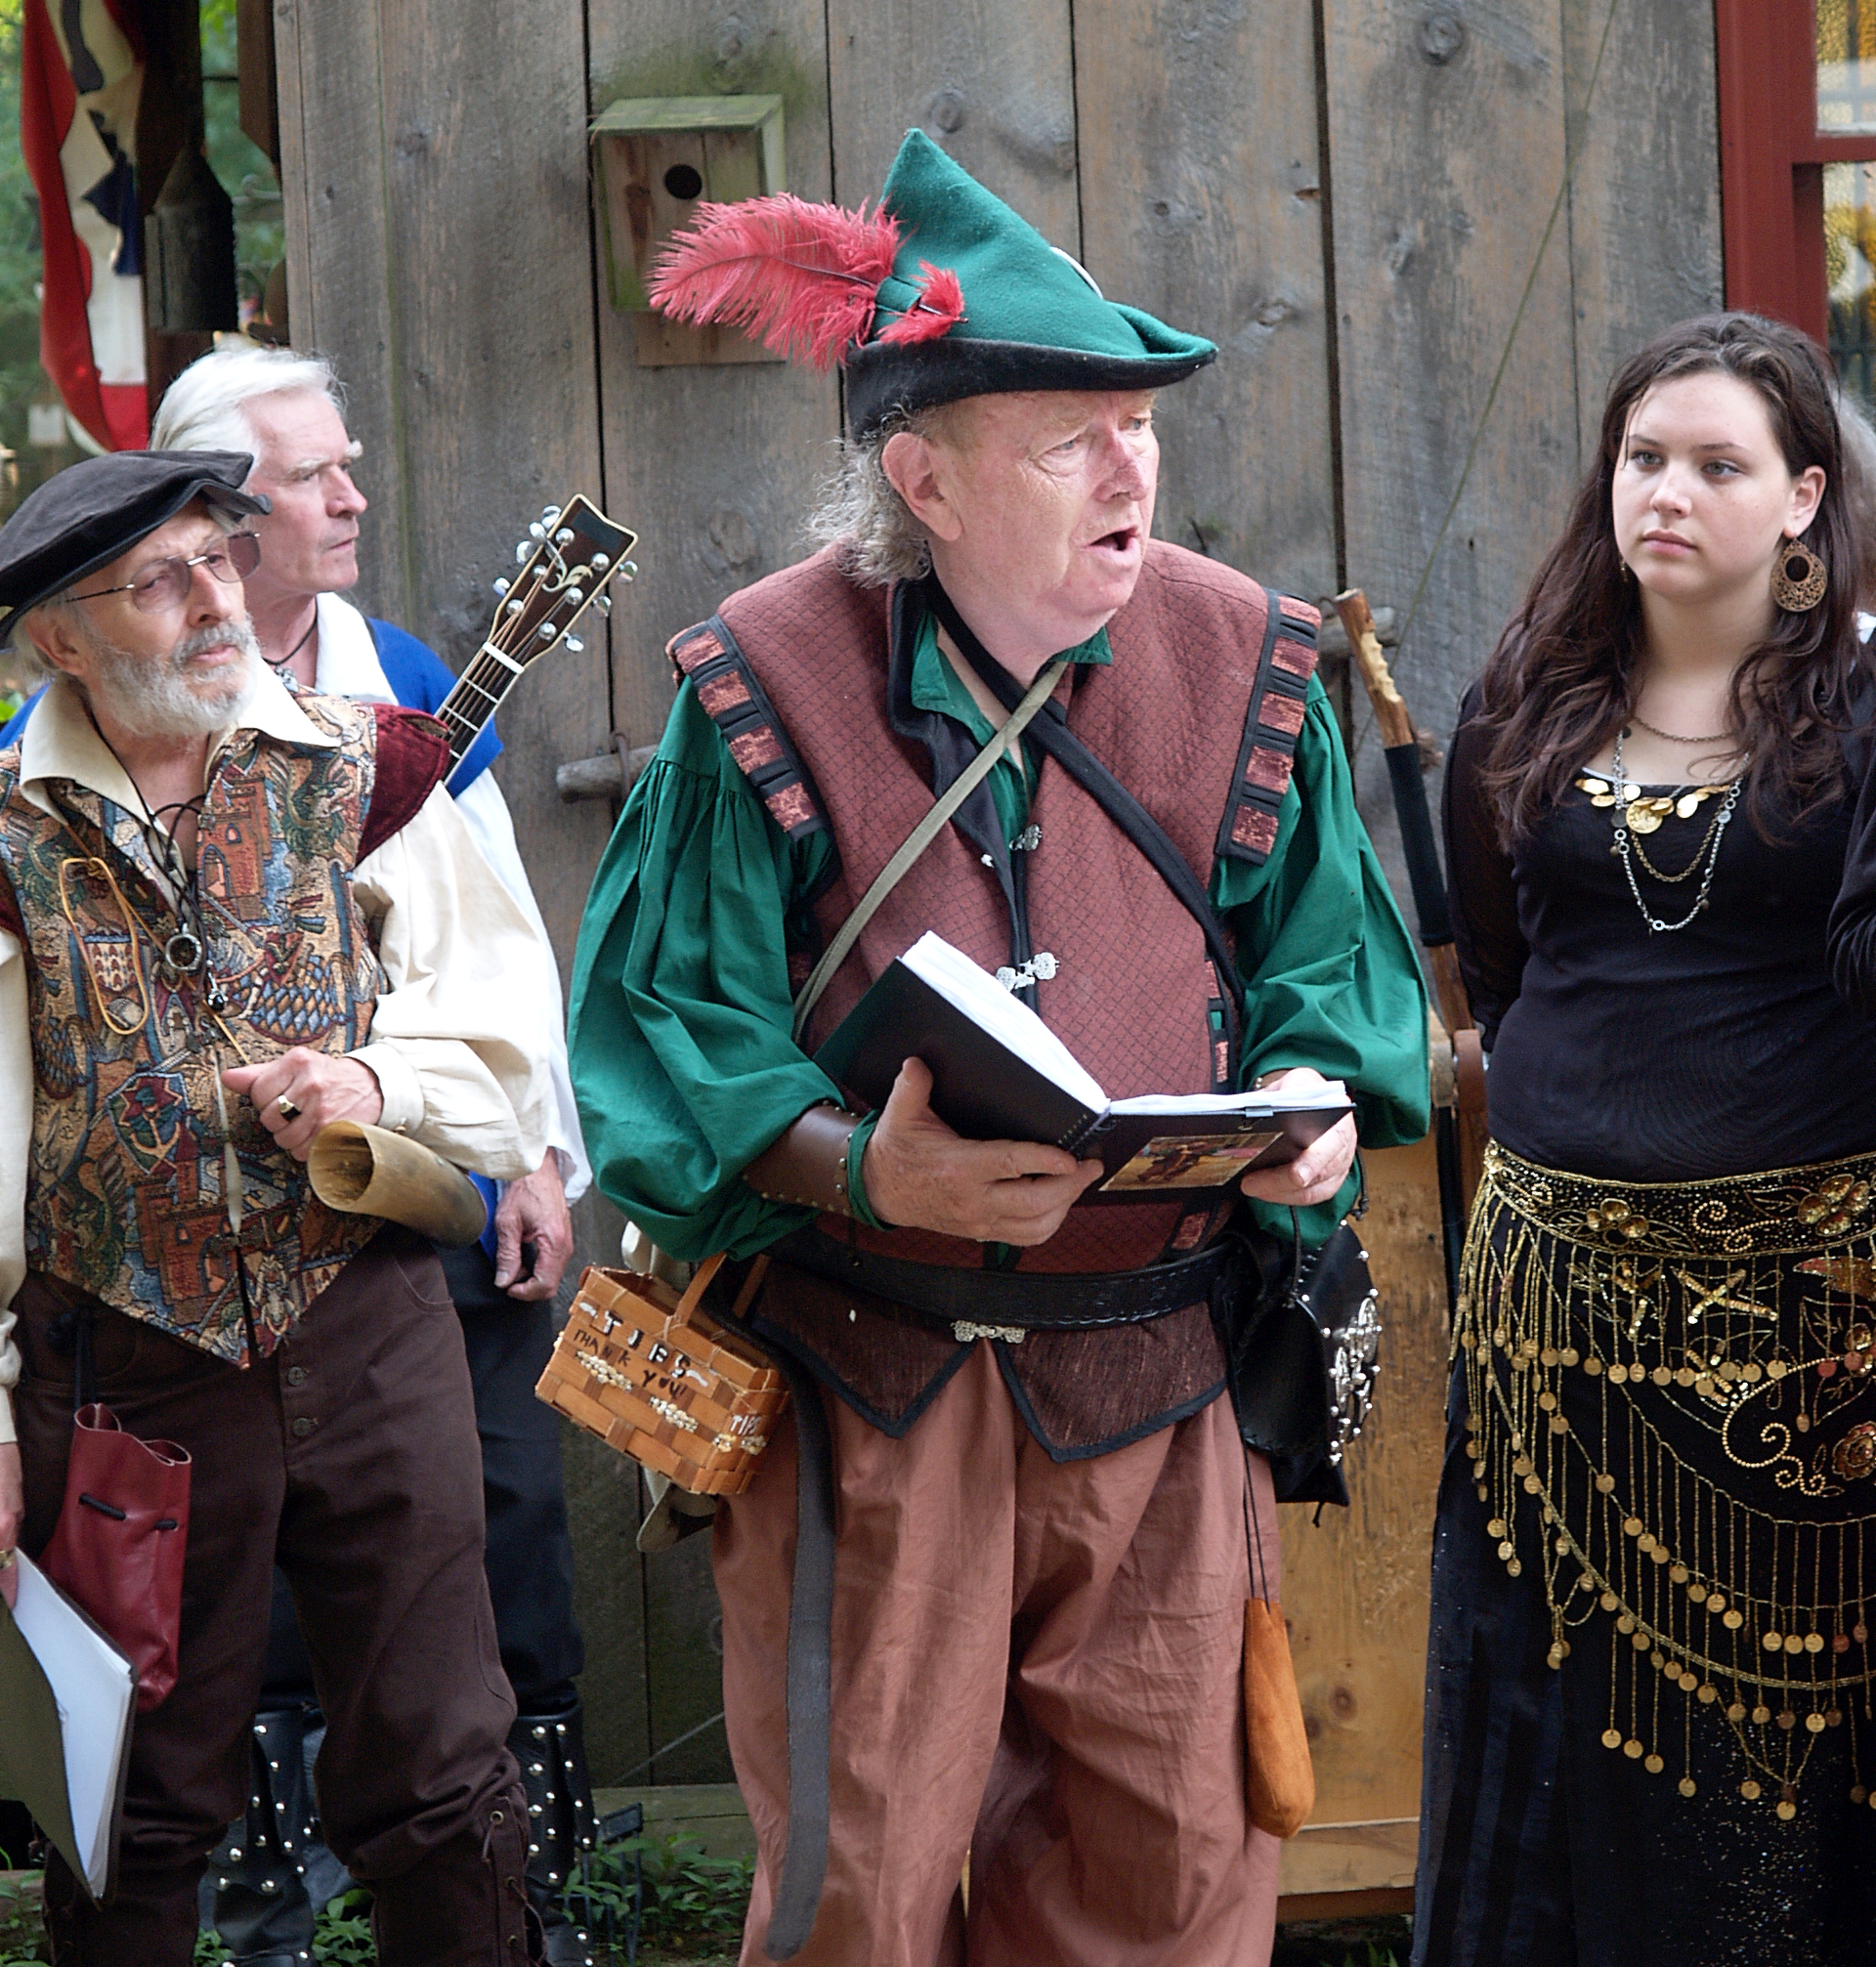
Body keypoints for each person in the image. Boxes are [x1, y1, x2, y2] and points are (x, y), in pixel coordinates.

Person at [569, 131, 1428, 1967]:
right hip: (871, 1391)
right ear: (924, 480)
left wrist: (1314, 1105)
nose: (1132, 473)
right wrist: (867, 1170)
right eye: (1069, 442)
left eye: (1141, 430)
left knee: (1169, 1888)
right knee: (859, 1899)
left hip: (1168, 1389)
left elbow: (1328, 974)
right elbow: (671, 1034)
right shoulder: (760, 682)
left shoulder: (1250, 660)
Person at [0, 449, 560, 1963]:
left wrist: (378, 1080)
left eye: (218, 560)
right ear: (60, 639)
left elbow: (506, 1027)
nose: (212, 602)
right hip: (125, 1367)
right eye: (158, 581)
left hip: (367, 1328)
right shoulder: (6, 838)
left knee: (443, 1770)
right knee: (132, 1798)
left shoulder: (364, 764)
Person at [1419, 313, 1876, 1967]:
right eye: (1643, 457)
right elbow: (1502, 968)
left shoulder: (1866, 710)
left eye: (1717, 465)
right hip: (1551, 1333)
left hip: (1799, 1341)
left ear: (1805, 497)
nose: (1666, 492)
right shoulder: (1523, 699)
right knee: (1548, 1725)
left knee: (1779, 1761)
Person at [140, 346, 597, 1962]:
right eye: (312, 474)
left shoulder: (402, 674)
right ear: (217, 511)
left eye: (349, 462)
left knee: (504, 1521)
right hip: (209, 1224)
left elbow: (502, 945)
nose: (351, 497)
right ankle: (272, 1905)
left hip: (426, 1178)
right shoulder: (105, 704)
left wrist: (535, 1157)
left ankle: (525, 1890)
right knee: (246, 1575)